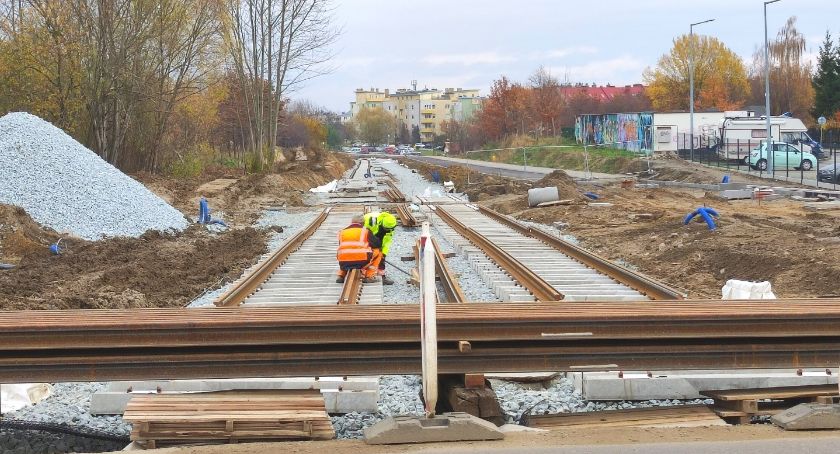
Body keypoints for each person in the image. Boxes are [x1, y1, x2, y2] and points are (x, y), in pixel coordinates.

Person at [336, 216, 382, 284]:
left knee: (343, 253)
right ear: (363, 223)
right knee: (378, 252)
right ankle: (369, 276)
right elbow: (377, 244)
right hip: (362, 261)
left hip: (343, 262)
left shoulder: (342, 232)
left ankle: (341, 275)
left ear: (351, 222)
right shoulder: (366, 231)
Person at [363, 211, 397, 285]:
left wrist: (383, 253)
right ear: (382, 223)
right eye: (386, 229)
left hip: (377, 238)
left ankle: (381, 276)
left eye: (389, 229)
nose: (388, 230)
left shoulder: (390, 228)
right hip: (367, 236)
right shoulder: (371, 221)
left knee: (381, 256)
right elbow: (362, 234)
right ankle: (365, 272)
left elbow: (387, 242)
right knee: (368, 255)